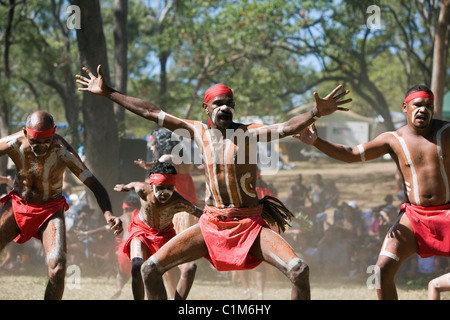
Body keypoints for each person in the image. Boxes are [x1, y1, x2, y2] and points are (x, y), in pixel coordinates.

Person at [76, 64, 351, 300]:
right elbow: (150, 112)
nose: (224, 108)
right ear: (206, 107)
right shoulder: (197, 131)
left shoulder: (248, 133)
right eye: (218, 103)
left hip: (248, 224)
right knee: (149, 269)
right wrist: (108, 92)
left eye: (229, 103)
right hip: (210, 224)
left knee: (299, 270)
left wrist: (314, 113)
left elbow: (287, 127)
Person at [296, 85, 450, 300]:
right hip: (415, 217)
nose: (423, 110)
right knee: (380, 272)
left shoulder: (446, 132)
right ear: (405, 107)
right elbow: (351, 154)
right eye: (418, 105)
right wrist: (316, 142)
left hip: (447, 213)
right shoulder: (392, 139)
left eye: (428, 106)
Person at [0, 111, 123, 300]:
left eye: (45, 141)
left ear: (53, 133)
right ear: (25, 133)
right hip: (19, 204)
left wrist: (108, 214)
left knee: (58, 268)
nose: (40, 147)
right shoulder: (14, 142)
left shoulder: (62, 150)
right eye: (35, 142)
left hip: (50, 210)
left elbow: (94, 184)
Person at [114, 161, 202, 300]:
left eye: (170, 188)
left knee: (190, 268)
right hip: (141, 232)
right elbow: (133, 185)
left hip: (165, 236)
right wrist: (124, 187)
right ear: (152, 184)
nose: (165, 193)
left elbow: (201, 214)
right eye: (160, 187)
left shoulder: (178, 202)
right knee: (137, 268)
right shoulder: (143, 189)